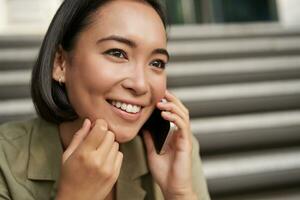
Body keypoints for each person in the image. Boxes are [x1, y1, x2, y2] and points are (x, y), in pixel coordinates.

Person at [0, 0, 211, 199]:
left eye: (157, 63)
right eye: (118, 53)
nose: (140, 84)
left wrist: (180, 194)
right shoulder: (4, 159)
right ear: (60, 63)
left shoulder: (173, 149)